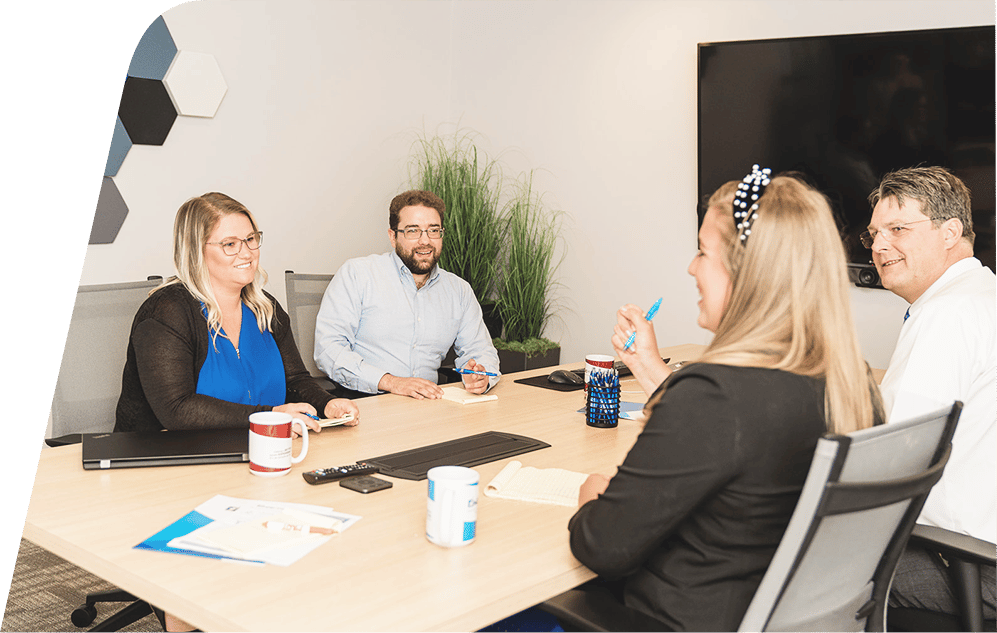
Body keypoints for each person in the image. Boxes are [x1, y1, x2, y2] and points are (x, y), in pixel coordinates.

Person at [566, 167, 884, 631]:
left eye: (701, 252)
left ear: (745, 271)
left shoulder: (716, 396)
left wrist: (591, 496)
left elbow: (601, 546)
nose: (691, 268)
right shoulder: (851, 383)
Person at [114, 193, 360, 632]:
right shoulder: (168, 310)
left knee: (327, 534)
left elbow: (296, 378)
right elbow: (177, 410)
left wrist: (327, 402)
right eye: (230, 244)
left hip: (254, 460)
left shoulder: (264, 307)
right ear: (196, 250)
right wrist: (272, 414)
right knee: (202, 593)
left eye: (251, 239)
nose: (247, 253)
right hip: (170, 467)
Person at [865, 166, 996, 620]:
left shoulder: (947, 316)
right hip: (977, 552)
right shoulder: (982, 295)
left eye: (898, 229)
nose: (880, 246)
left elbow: (894, 461)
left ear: (950, 232)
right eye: (874, 235)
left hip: (967, 564)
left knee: (779, 558)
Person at [314, 189, 500, 399]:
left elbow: (480, 349)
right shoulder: (358, 275)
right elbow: (328, 350)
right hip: (365, 403)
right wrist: (391, 382)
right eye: (413, 231)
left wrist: (480, 376)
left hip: (430, 406)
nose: (425, 241)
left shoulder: (458, 290)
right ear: (393, 237)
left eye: (433, 230)